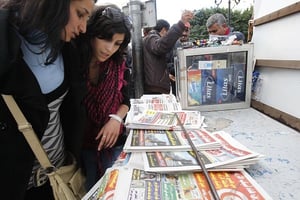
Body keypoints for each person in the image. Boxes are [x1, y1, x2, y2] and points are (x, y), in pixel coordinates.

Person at [0, 0, 95, 199]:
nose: (83, 27)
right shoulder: (5, 41)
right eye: (80, 14)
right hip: (16, 187)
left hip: (58, 177)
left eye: (88, 18)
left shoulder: (66, 45)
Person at [74, 5, 132, 190]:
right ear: (92, 32)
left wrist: (115, 119)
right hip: (79, 150)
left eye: (117, 43)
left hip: (114, 145)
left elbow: (126, 101)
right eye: (106, 39)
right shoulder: (73, 60)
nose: (109, 49)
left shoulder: (119, 64)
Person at [143, 10, 194, 94]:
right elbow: (161, 46)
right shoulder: (151, 38)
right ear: (164, 30)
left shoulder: (150, 39)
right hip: (155, 87)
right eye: (167, 33)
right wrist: (180, 24)